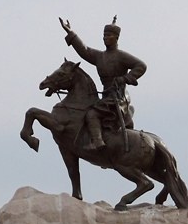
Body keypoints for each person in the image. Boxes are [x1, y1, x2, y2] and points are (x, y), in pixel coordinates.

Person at [59, 16, 147, 152]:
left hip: (118, 96)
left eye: (109, 35)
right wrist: (70, 33)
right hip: (106, 96)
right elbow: (84, 50)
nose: (105, 38)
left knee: (91, 114)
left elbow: (141, 66)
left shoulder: (121, 56)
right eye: (104, 35)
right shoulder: (100, 56)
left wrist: (125, 78)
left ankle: (98, 142)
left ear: (116, 38)